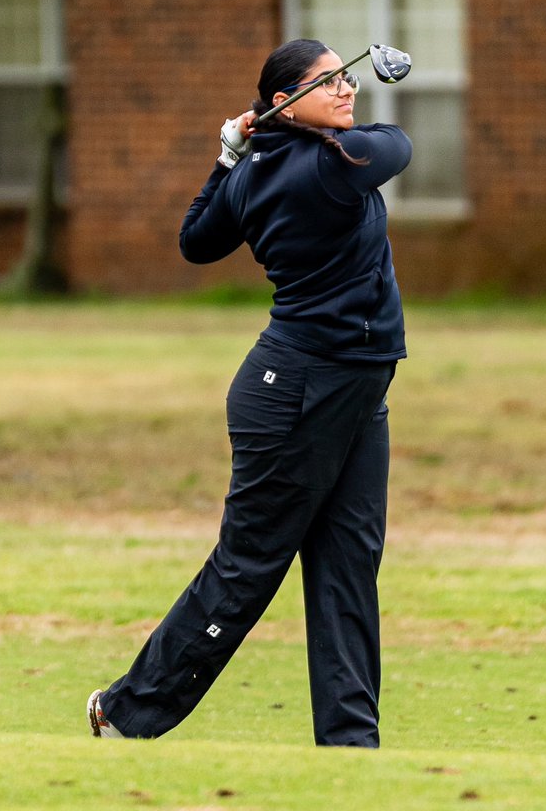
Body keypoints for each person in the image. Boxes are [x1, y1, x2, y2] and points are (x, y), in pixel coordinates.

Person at [87, 37, 412, 747]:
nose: (348, 89)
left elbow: (196, 239)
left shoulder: (255, 170)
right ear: (284, 102)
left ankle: (350, 744)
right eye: (329, 81)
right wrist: (255, 149)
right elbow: (397, 144)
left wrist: (228, 156)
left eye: (347, 78)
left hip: (352, 384)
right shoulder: (329, 166)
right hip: (299, 388)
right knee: (249, 566)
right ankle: (125, 711)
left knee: (349, 561)